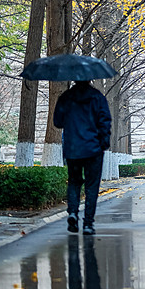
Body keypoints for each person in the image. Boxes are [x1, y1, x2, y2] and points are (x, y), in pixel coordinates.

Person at [53, 80, 111, 235]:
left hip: (73, 149)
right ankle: (88, 224)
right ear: (90, 79)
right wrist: (103, 143)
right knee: (92, 187)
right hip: (93, 149)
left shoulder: (66, 97)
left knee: (74, 182)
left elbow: (57, 122)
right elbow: (105, 121)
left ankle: (72, 212)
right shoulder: (97, 97)